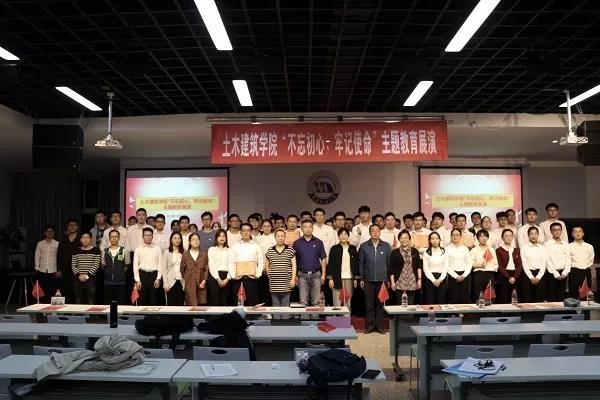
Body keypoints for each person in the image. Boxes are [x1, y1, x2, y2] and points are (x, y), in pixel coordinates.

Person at [358, 225, 391, 334]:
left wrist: (388, 279)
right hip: (368, 279)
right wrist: (361, 278)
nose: (375, 232)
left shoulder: (386, 246)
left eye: (377, 230)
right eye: (373, 231)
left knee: (380, 304)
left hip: (382, 279)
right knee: (369, 304)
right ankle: (370, 325)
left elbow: (389, 263)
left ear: (380, 232)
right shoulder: (364, 246)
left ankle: (379, 326)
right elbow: (361, 263)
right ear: (369, 233)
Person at [293, 219, 327, 306]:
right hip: (302, 275)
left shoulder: (319, 242)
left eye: (310, 227)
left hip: (316, 275)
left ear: (312, 228)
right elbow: (293, 260)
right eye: (305, 227)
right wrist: (295, 275)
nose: (308, 229)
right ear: (301, 229)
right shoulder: (297, 243)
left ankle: (315, 315)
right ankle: (304, 315)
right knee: (303, 302)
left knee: (316, 302)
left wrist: (323, 274)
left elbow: (323, 259)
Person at [228, 223, 264, 306]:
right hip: (238, 279)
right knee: (238, 303)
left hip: (252, 279)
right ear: (240, 232)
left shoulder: (256, 246)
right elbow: (231, 262)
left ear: (251, 232)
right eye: (244, 230)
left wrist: (257, 275)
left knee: (252, 303)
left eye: (248, 230)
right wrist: (233, 276)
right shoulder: (235, 246)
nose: (246, 232)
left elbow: (261, 262)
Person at [265, 229, 297, 313]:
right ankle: (276, 321)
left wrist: (293, 279)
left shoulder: (290, 250)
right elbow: (266, 264)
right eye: (278, 236)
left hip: (286, 283)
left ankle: (285, 321)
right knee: (275, 308)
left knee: (285, 308)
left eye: (282, 236)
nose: (280, 238)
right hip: (274, 283)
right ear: (275, 237)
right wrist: (269, 275)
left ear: (285, 237)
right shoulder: (270, 250)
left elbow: (294, 265)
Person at [327, 228, 359, 309]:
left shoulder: (352, 248)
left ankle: (346, 317)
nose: (343, 236)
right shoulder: (334, 248)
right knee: (337, 300)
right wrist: (330, 279)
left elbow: (356, 264)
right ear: (338, 236)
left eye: (345, 234)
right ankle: (337, 317)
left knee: (347, 300)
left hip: (349, 277)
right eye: (341, 234)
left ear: (348, 236)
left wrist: (355, 278)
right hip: (337, 277)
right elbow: (331, 264)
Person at [389, 230, 421, 305]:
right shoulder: (394, 252)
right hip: (399, 282)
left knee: (410, 305)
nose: (404, 240)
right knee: (400, 306)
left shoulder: (415, 251)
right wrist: (392, 282)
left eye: (406, 238)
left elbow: (418, 266)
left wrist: (419, 280)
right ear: (399, 239)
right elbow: (391, 269)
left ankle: (409, 314)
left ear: (409, 239)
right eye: (402, 238)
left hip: (412, 281)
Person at [133, 227, 162, 306]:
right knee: (142, 300)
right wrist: (137, 280)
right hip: (142, 275)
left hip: (154, 276)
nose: (148, 237)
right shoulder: (138, 249)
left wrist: (158, 278)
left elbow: (160, 264)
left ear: (152, 236)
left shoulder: (157, 248)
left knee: (153, 300)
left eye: (150, 235)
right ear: (143, 237)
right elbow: (135, 266)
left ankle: (153, 314)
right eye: (146, 235)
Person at [71, 232, 101, 305]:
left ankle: (91, 314)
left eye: (87, 237)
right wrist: (79, 275)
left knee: (91, 301)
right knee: (78, 301)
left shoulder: (96, 250)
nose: (85, 239)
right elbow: (73, 265)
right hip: (78, 279)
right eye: (83, 237)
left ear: (90, 239)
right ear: (80, 240)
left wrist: (87, 275)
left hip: (91, 279)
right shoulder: (75, 250)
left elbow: (96, 264)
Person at [544, 222, 571, 302]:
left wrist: (564, 273)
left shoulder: (566, 244)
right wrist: (556, 274)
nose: (557, 231)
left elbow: (568, 259)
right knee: (551, 296)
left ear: (561, 231)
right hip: (551, 273)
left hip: (563, 274)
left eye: (559, 230)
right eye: (554, 230)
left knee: (561, 297)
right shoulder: (547, 244)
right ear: (551, 231)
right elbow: (547, 260)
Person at [102, 229, 130, 305]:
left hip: (120, 282)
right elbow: (103, 265)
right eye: (112, 237)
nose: (114, 238)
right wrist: (109, 272)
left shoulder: (124, 251)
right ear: (109, 238)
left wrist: (120, 273)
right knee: (108, 303)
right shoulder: (105, 251)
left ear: (119, 238)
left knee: (121, 303)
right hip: (108, 282)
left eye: (116, 236)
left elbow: (127, 265)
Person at [469, 230, 498, 302]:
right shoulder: (474, 250)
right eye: (481, 236)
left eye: (485, 236)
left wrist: (488, 267)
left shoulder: (491, 249)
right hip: (478, 274)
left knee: (489, 297)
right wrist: (479, 265)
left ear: (487, 238)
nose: (483, 238)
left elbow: (496, 265)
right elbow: (470, 263)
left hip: (489, 275)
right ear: (478, 238)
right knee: (477, 296)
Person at [57, 219, 81, 303]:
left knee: (77, 290)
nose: (72, 227)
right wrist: (59, 269)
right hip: (65, 268)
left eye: (74, 225)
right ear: (67, 227)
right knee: (66, 289)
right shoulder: (63, 239)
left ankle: (78, 308)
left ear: (78, 227)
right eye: (70, 225)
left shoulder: (81, 238)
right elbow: (59, 254)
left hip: (78, 268)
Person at [446, 229, 473, 304]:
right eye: (453, 235)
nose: (455, 236)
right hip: (452, 276)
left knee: (464, 299)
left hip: (465, 276)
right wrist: (456, 276)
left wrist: (464, 275)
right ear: (451, 236)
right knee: (453, 298)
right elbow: (446, 265)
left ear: (461, 236)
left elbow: (469, 263)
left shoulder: (465, 249)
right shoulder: (447, 249)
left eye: (457, 235)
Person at [520, 226, 547, 303]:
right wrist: (531, 277)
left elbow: (544, 263)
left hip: (540, 276)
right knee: (527, 299)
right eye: (531, 234)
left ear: (538, 235)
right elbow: (524, 263)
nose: (533, 236)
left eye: (535, 233)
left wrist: (538, 277)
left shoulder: (542, 248)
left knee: (539, 299)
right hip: (527, 275)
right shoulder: (524, 248)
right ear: (528, 236)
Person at [181, 233, 208, 306]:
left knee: (201, 304)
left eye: (197, 239)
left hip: (201, 282)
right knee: (190, 304)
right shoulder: (185, 254)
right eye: (193, 239)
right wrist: (187, 278)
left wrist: (204, 281)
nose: (196, 241)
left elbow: (206, 269)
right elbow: (182, 269)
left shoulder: (204, 253)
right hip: (190, 283)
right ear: (189, 242)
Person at [496, 229, 523, 303]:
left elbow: (519, 265)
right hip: (503, 275)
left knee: (515, 298)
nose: (508, 238)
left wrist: (514, 277)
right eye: (506, 236)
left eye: (510, 236)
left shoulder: (517, 250)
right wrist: (509, 277)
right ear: (502, 238)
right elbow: (500, 266)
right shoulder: (498, 250)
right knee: (504, 297)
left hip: (516, 275)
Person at [34, 224, 59, 303]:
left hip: (54, 270)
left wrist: (58, 270)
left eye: (51, 231)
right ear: (44, 233)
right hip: (42, 270)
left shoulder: (57, 243)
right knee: (43, 291)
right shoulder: (40, 243)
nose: (49, 233)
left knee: (53, 290)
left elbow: (59, 257)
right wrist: (37, 268)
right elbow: (37, 256)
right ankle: (43, 308)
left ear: (54, 233)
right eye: (47, 231)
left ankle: (52, 308)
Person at [569, 226, 595, 299]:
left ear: (583, 233)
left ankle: (585, 307)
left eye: (580, 231)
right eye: (575, 232)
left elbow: (591, 260)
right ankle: (573, 307)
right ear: (572, 234)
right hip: (574, 272)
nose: (578, 233)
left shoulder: (589, 246)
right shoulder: (569, 246)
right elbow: (568, 260)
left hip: (586, 272)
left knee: (586, 295)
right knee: (573, 295)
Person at [422, 232, 448, 304]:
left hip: (441, 279)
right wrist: (433, 280)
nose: (435, 240)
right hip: (430, 279)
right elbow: (425, 268)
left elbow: (446, 267)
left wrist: (440, 279)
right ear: (429, 240)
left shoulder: (444, 251)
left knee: (441, 300)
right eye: (432, 239)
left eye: (437, 238)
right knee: (430, 301)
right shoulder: (427, 252)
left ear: (439, 240)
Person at [207, 229, 231, 306]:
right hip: (214, 277)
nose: (222, 238)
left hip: (227, 277)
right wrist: (218, 279)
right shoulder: (211, 249)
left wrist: (227, 279)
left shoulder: (230, 250)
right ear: (216, 238)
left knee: (225, 302)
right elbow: (211, 265)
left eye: (224, 236)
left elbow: (232, 265)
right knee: (215, 302)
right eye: (219, 236)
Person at [161, 232, 185, 306]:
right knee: (171, 304)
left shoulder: (184, 252)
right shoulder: (167, 252)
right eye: (175, 238)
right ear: (171, 240)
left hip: (181, 281)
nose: (177, 240)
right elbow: (163, 269)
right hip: (170, 281)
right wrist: (165, 282)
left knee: (180, 304)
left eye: (179, 238)